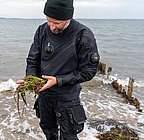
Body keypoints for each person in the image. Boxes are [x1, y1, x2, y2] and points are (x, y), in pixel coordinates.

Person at [17, 0, 99, 139]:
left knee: (68, 136)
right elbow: (32, 61)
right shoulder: (42, 30)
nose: (51, 27)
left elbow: (89, 71)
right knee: (49, 132)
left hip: (67, 99)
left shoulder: (84, 35)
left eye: (57, 23)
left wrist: (58, 80)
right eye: (49, 21)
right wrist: (30, 78)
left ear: (69, 18)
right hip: (44, 95)